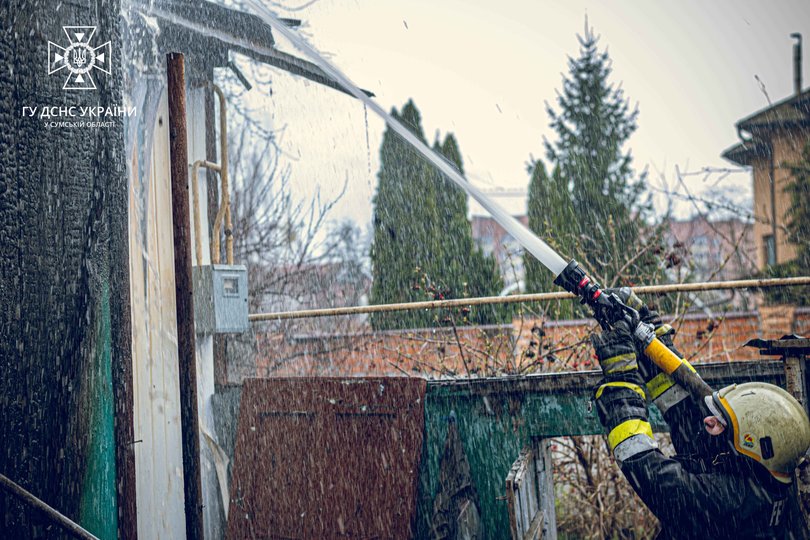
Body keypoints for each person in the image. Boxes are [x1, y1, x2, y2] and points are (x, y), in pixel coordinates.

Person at [591, 291, 810, 539]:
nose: (708, 421)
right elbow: (686, 414)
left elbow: (645, 468)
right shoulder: (765, 476)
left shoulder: (728, 499)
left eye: (720, 424)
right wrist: (653, 340)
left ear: (753, 448)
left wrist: (620, 381)